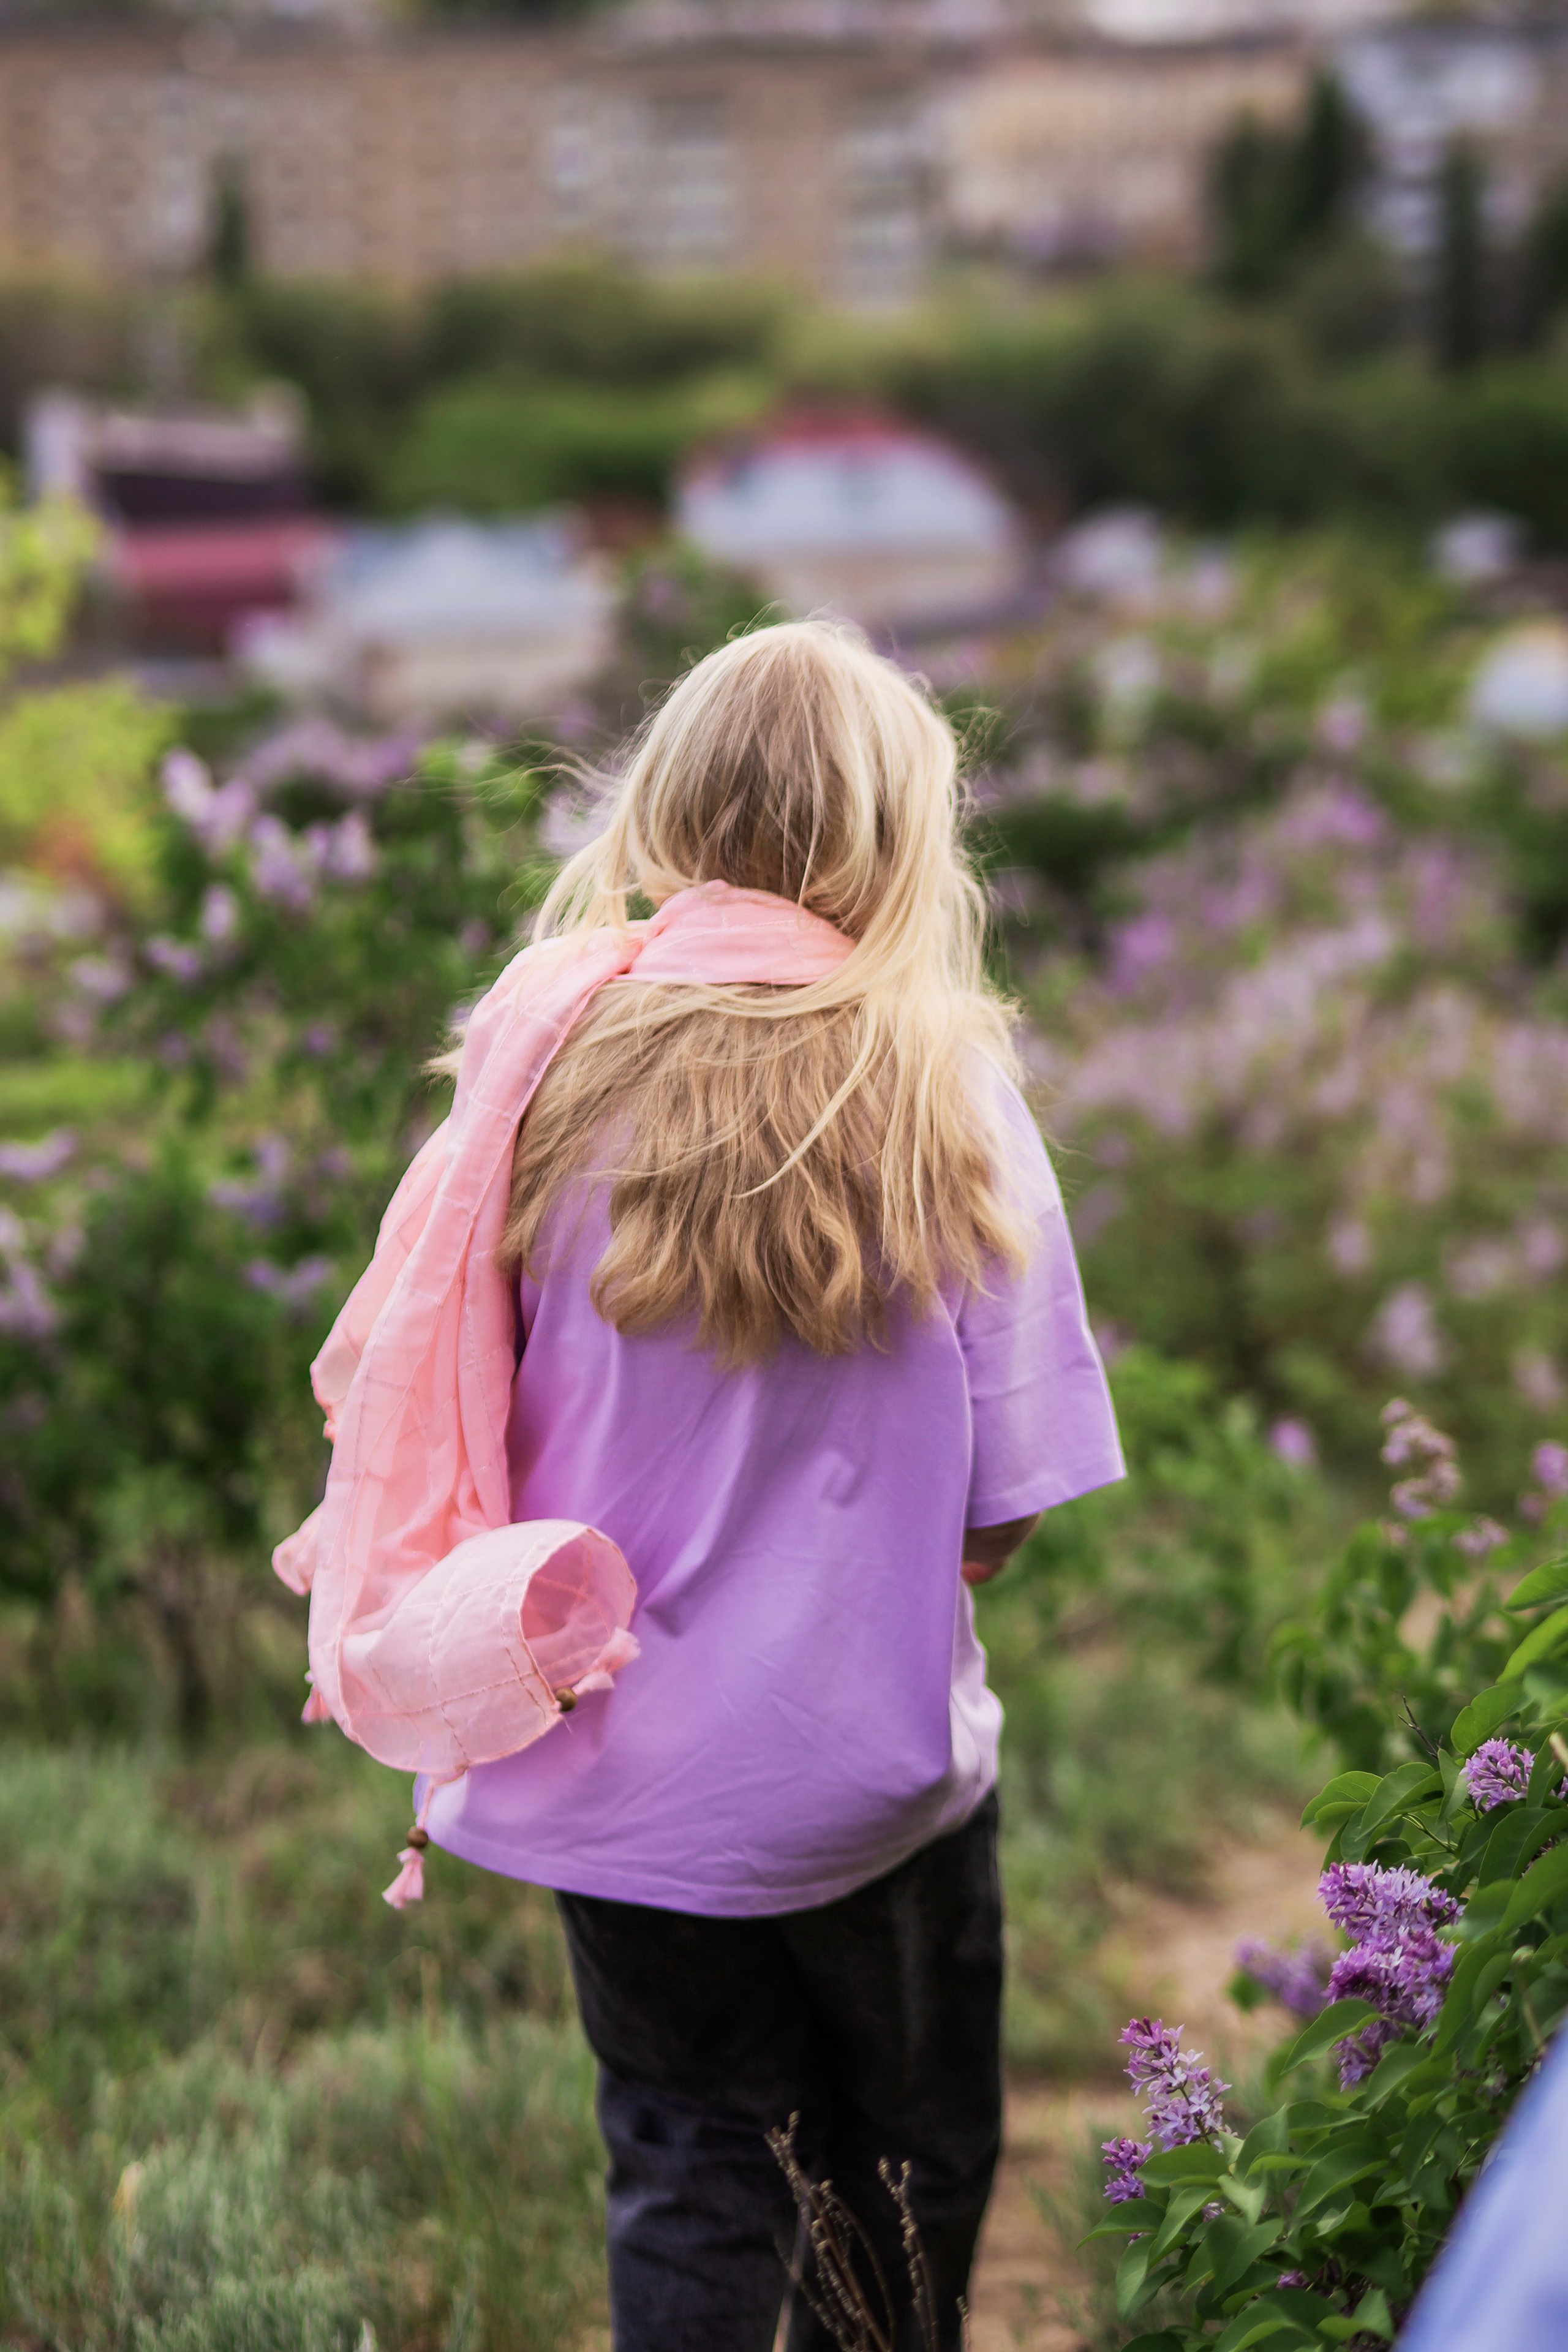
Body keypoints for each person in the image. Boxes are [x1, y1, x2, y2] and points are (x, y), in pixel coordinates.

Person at [396, 620, 1124, 2349]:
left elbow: (454, 1417)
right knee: (910, 2163)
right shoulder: (948, 1096)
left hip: (620, 1784)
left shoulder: (540, 1081)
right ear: (896, 843)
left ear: (663, 812)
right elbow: (1004, 1514)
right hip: (872, 1782)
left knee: (690, 2162)